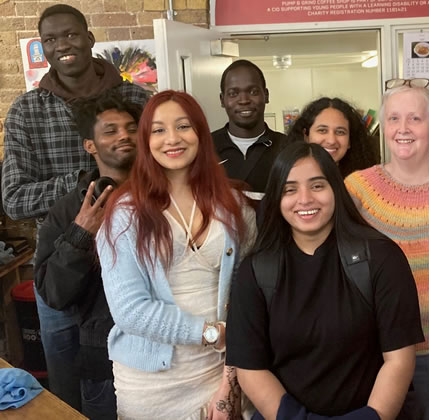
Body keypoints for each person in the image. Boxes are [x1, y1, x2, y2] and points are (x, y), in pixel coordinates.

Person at [1, 3, 149, 410]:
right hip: (61, 267)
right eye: (50, 39)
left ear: (89, 38)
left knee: (138, 377)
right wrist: (88, 183)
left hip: (139, 259)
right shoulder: (27, 110)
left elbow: (162, 169)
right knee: (69, 392)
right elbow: (14, 199)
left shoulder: (135, 97)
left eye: (69, 34)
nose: (62, 45)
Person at [226, 142, 423, 420]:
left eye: (317, 186)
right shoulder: (256, 270)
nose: (304, 199)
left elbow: (399, 360)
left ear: (335, 190)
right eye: (289, 189)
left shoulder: (382, 258)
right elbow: (251, 368)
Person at [96, 90, 256, 420]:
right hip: (152, 387)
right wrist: (212, 333)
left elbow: (250, 294)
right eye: (158, 130)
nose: (172, 138)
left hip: (219, 374)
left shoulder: (234, 205)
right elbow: (129, 310)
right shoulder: (125, 213)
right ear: (146, 140)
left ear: (201, 133)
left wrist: (231, 379)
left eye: (183, 126)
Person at [345, 79, 429, 419]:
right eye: (393, 118)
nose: (402, 128)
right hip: (369, 355)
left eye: (415, 118)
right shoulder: (356, 190)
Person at [34, 92, 142, 420]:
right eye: (111, 130)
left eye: (131, 128)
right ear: (90, 145)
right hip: (103, 363)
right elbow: (53, 293)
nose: (124, 136)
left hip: (169, 353)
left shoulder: (164, 196)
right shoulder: (68, 210)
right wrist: (80, 235)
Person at [212, 60, 288, 194]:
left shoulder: (288, 147)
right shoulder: (204, 147)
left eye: (253, 92)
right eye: (233, 93)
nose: (244, 100)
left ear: (266, 95)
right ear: (222, 100)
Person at [287, 97, 380, 177]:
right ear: (306, 136)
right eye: (322, 130)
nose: (331, 140)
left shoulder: (363, 184)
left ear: (349, 141)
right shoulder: (289, 178)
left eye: (340, 132)